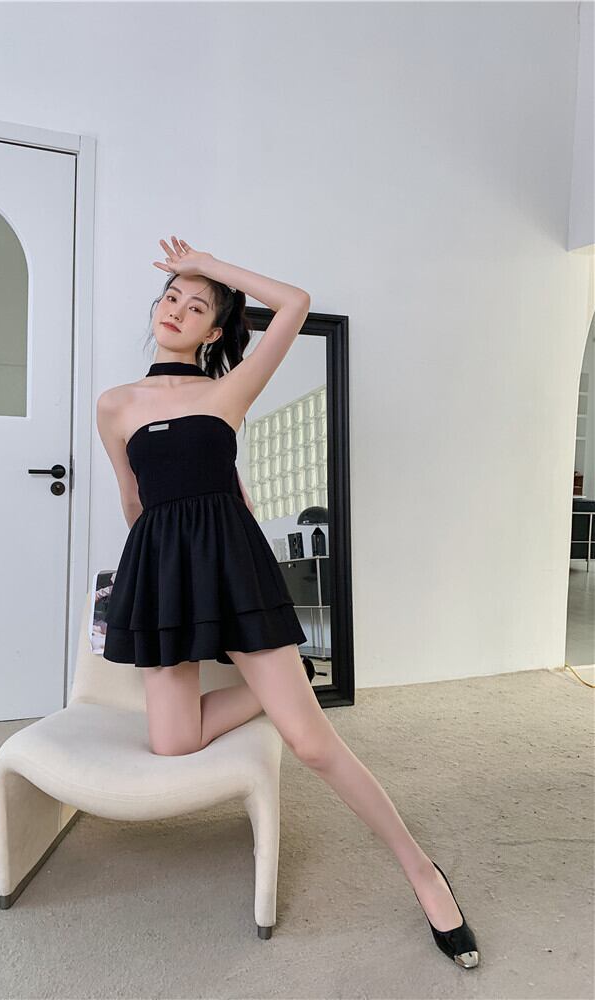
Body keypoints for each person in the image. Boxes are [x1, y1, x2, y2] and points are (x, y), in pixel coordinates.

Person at [96, 236, 479, 968]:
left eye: (195, 306)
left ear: (215, 331)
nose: (175, 310)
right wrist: (139, 590)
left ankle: (422, 872)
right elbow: (132, 501)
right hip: (162, 572)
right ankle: (280, 686)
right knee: (172, 742)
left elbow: (296, 304)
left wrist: (208, 263)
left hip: (233, 564)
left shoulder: (228, 389)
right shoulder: (114, 405)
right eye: (171, 297)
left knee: (313, 745)